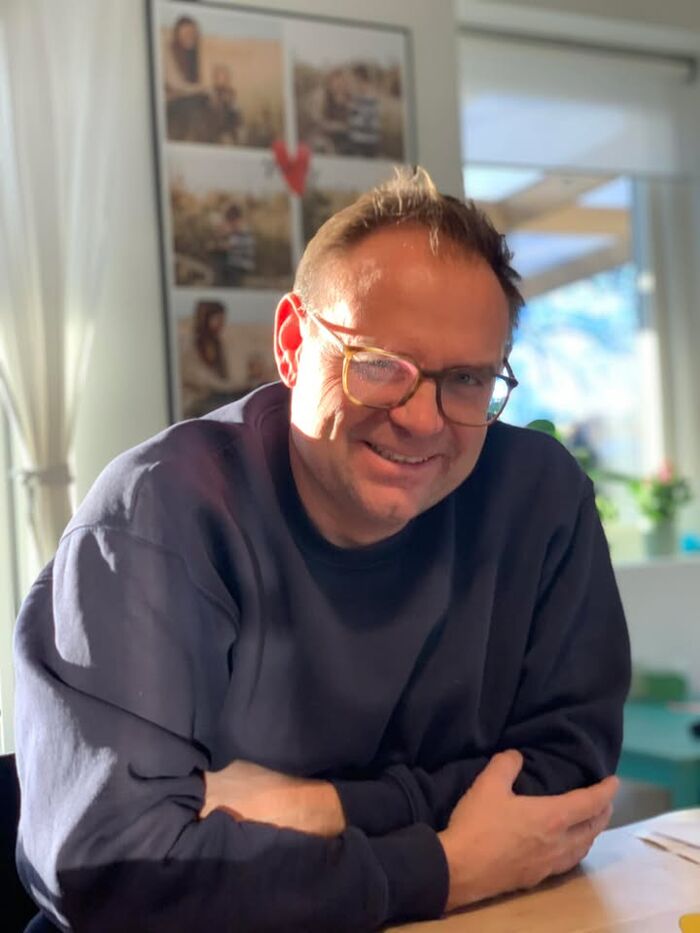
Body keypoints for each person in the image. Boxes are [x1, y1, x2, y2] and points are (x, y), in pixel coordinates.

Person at [14, 167, 630, 932]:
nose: (423, 419)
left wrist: (318, 806)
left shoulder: (539, 498)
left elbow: (568, 784)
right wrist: (447, 863)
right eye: (379, 365)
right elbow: (111, 868)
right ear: (292, 342)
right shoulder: (160, 515)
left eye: (467, 379)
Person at [179, 300, 234, 418]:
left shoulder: (217, 344)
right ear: (205, 319)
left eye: (222, 320)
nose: (221, 324)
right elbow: (199, 379)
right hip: (195, 402)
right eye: (217, 319)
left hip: (215, 395)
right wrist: (227, 387)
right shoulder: (189, 345)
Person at [163, 16, 211, 143]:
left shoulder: (193, 54)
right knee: (192, 105)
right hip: (170, 102)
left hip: (187, 98)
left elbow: (201, 83)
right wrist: (200, 88)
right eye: (185, 33)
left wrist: (201, 89)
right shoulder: (168, 51)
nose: (189, 37)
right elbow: (175, 85)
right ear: (177, 34)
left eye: (192, 33)